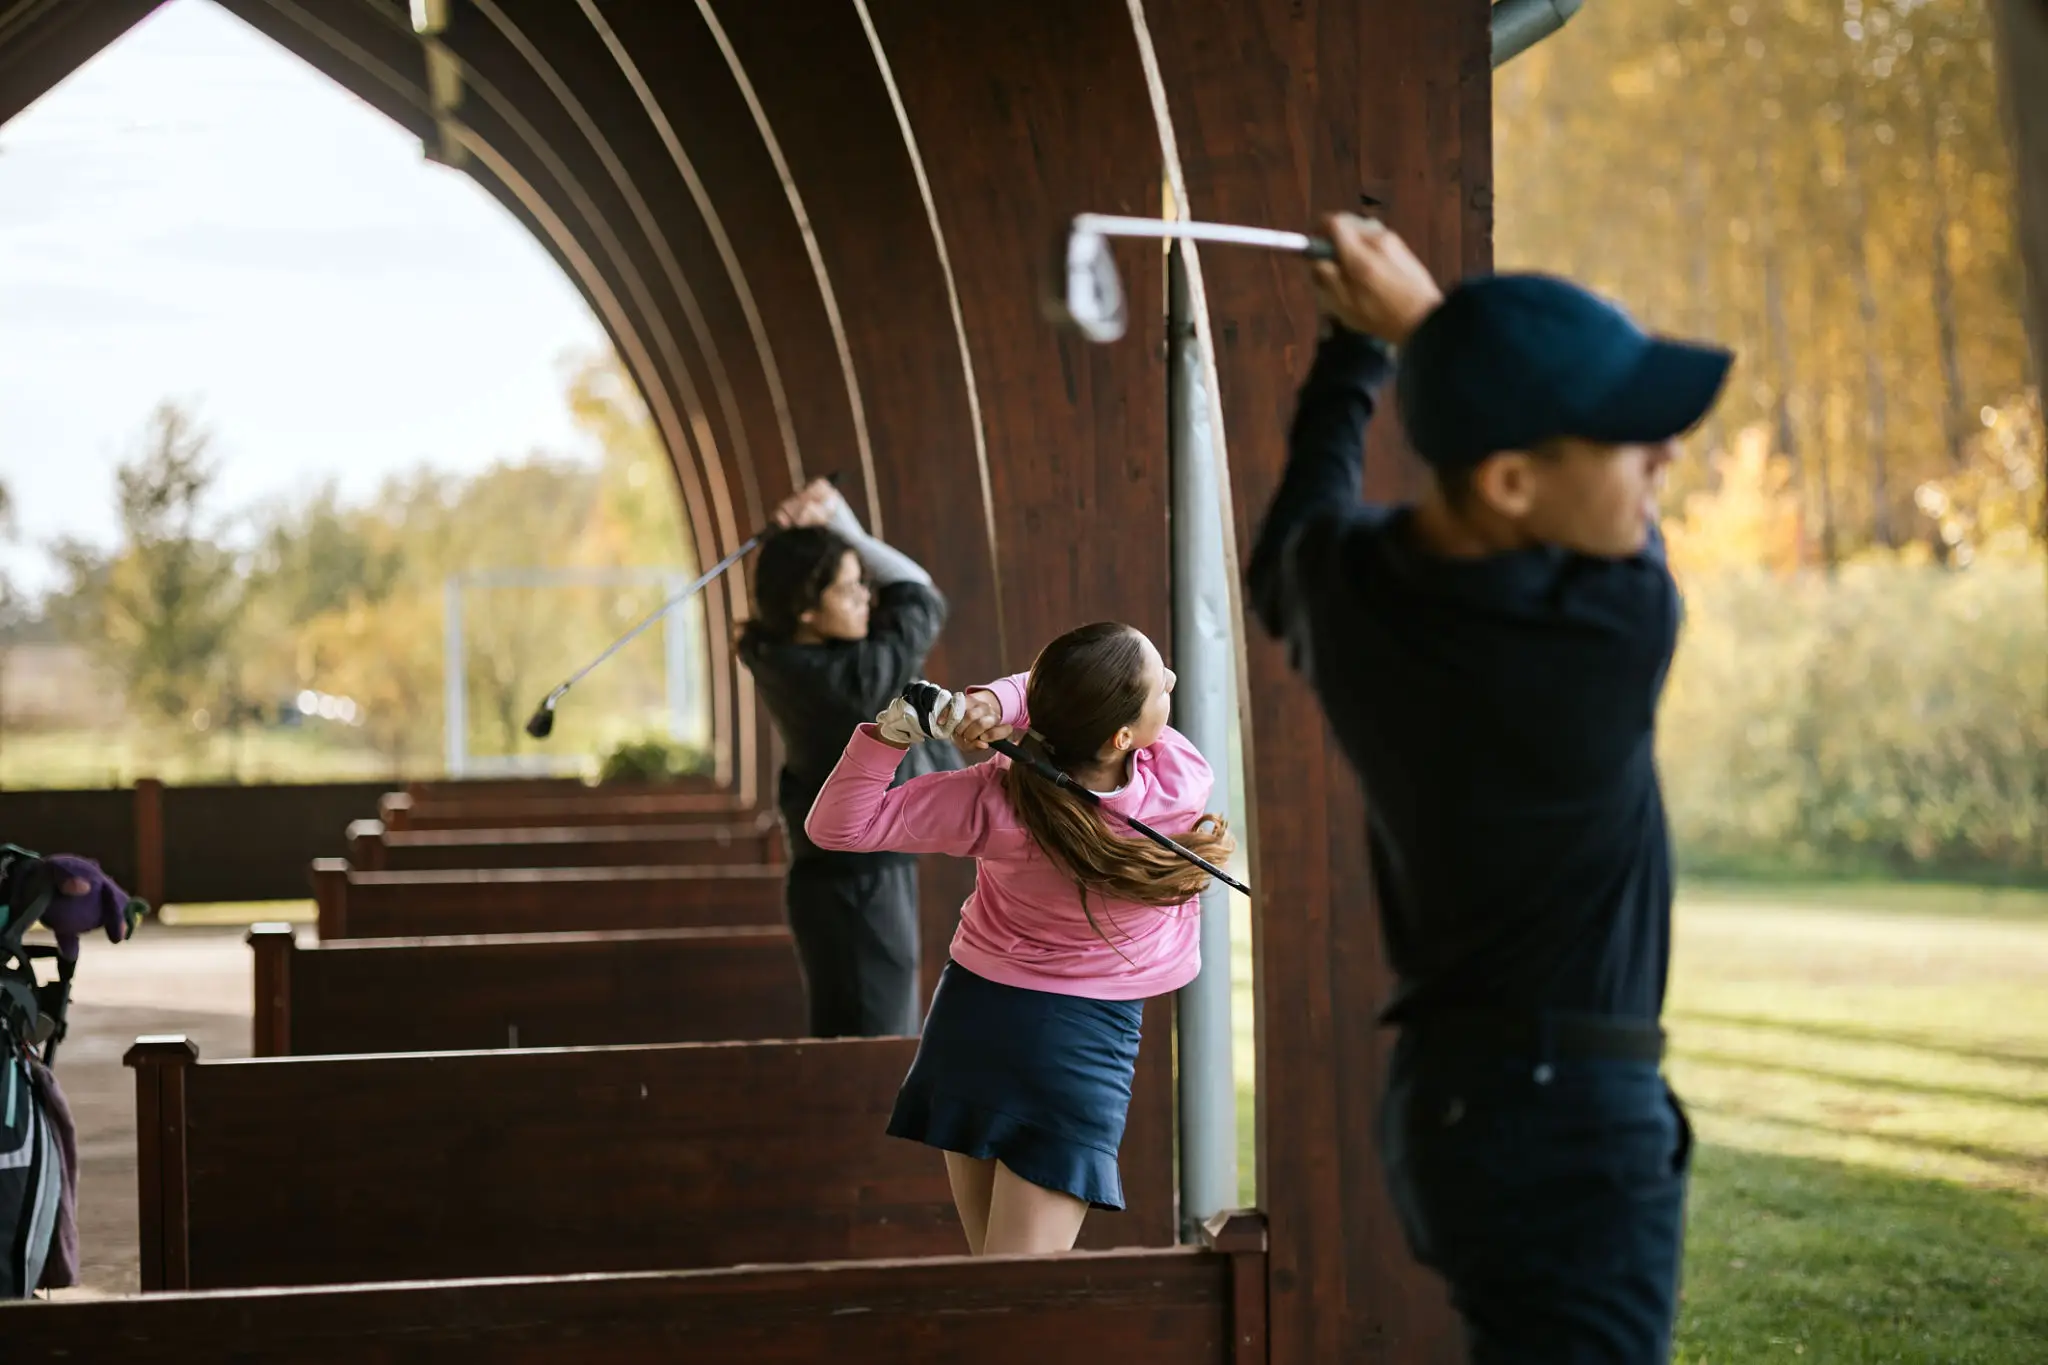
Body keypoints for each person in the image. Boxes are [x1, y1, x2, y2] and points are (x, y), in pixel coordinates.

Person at [1246, 213, 1732, 1363]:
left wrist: (1386, 348)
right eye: (1625, 440)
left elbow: (1292, 538)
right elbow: (1297, 533)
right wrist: (1391, 334)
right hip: (1563, 1124)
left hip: (1463, 1108)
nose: (1660, 459)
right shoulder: (1616, 627)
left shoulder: (1356, 594)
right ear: (1510, 479)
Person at [803, 622, 1233, 1256]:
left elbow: (840, 827)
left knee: (996, 1289)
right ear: (1121, 738)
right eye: (1159, 685)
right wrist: (1003, 711)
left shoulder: (995, 800)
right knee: (1017, 1307)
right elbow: (1058, 700)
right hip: (1078, 1046)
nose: (1170, 681)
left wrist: (901, 733)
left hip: (972, 1020)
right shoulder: (1178, 782)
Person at [736, 476, 958, 1038]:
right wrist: (838, 520)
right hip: (858, 889)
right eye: (848, 588)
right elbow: (917, 592)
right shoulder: (854, 681)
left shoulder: (783, 652)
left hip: (847, 880)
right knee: (874, 1056)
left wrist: (834, 533)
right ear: (806, 610)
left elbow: (900, 594)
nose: (866, 597)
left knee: (875, 1045)